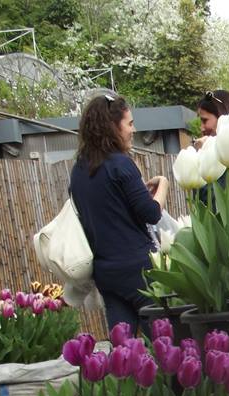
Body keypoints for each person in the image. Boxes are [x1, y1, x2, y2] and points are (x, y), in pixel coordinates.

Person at [69, 93, 168, 335]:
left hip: (106, 273)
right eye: (130, 124)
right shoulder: (121, 164)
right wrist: (163, 183)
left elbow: (105, 210)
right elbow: (151, 213)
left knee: (124, 349)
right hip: (139, 272)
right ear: (112, 127)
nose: (133, 130)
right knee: (161, 347)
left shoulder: (79, 170)